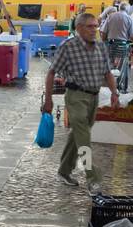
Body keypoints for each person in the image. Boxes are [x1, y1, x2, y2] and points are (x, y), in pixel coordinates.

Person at [43, 12, 118, 194]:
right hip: (75, 97)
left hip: (93, 97)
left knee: (77, 135)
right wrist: (48, 99)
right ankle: (93, 179)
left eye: (96, 26)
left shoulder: (100, 46)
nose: (94, 30)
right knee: (84, 138)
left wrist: (115, 93)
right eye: (90, 26)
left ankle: (64, 171)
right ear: (78, 28)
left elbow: (107, 72)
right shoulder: (68, 47)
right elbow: (51, 73)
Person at [100, 0, 133, 92]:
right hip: (123, 45)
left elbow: (103, 32)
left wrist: (104, 41)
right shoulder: (129, 19)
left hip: (110, 44)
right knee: (122, 67)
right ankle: (120, 86)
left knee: (109, 66)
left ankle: (108, 87)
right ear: (127, 10)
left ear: (119, 8)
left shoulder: (110, 17)